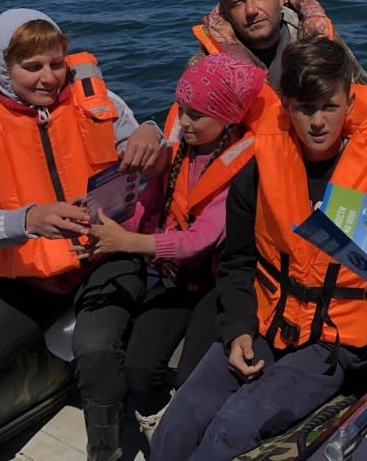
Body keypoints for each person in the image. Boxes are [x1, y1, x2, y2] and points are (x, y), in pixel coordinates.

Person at [149, 37, 367, 460]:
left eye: (329, 107)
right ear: (285, 106)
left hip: (336, 343)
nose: (317, 121)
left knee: (231, 429)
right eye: (304, 108)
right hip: (267, 323)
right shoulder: (258, 171)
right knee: (180, 419)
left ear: (350, 102)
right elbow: (238, 261)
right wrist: (238, 328)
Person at [0, 8, 164, 461]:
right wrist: (30, 220)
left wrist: (151, 132)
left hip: (107, 255)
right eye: (31, 66)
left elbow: (148, 153)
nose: (49, 77)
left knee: (96, 350)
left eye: (56, 63)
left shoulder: (98, 100)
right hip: (31, 276)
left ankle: (105, 454)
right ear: (3, 68)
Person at [81, 53, 266, 441]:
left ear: (228, 117)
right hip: (173, 277)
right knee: (139, 368)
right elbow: (148, 210)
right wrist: (99, 226)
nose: (183, 121)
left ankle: (195, 436)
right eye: (181, 110)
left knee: (192, 376)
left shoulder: (243, 168)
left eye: (196, 115)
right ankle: (157, 425)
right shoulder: (178, 149)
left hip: (217, 282)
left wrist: (127, 242)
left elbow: (202, 239)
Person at [192, 0, 367, 91]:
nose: (251, 10)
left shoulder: (319, 40)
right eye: (238, 2)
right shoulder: (208, 63)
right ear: (225, 10)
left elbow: (363, 96)